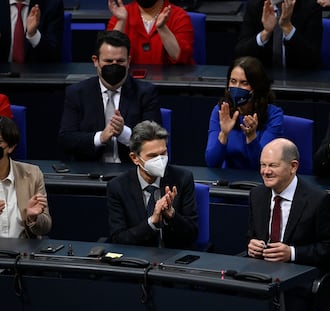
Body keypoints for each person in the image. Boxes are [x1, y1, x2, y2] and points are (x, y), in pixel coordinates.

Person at [248, 138, 330, 311]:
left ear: (293, 166)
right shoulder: (257, 194)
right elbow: (252, 234)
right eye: (263, 165)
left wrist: (291, 253)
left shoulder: (319, 200)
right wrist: (252, 245)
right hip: (263, 275)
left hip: (301, 280)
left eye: (273, 166)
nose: (265, 171)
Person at [59, 30, 162, 163]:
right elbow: (66, 139)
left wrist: (123, 133)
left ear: (129, 61)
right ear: (95, 61)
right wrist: (100, 138)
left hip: (131, 172)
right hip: (89, 171)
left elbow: (155, 141)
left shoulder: (145, 93)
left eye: (120, 61)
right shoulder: (77, 93)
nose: (114, 65)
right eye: (108, 61)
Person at [107, 120, 198, 249]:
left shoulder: (182, 179)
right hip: (136, 260)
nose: (160, 160)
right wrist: (151, 222)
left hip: (173, 258)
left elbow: (192, 234)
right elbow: (118, 239)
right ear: (134, 158)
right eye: (153, 156)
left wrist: (172, 215)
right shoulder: (118, 187)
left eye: (163, 154)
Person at [205, 56, 284, 169]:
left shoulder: (273, 115)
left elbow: (261, 166)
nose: (237, 87)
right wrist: (224, 134)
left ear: (256, 87)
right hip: (228, 181)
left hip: (260, 182)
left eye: (244, 83)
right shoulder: (221, 111)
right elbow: (211, 162)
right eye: (233, 81)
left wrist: (251, 137)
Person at [0, 116, 51, 239]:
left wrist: (34, 218)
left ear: (11, 147)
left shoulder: (32, 175)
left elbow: (45, 228)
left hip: (22, 253)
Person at [234, 0, 322, 69]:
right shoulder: (255, 6)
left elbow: (312, 59)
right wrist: (265, 33)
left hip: (301, 79)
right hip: (264, 80)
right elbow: (240, 54)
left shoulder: (310, 7)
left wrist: (287, 27)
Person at [107, 0, 194, 65]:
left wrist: (162, 28)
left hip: (170, 83)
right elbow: (109, 56)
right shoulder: (121, 14)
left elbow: (180, 57)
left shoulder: (179, 16)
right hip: (129, 83)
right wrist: (121, 22)